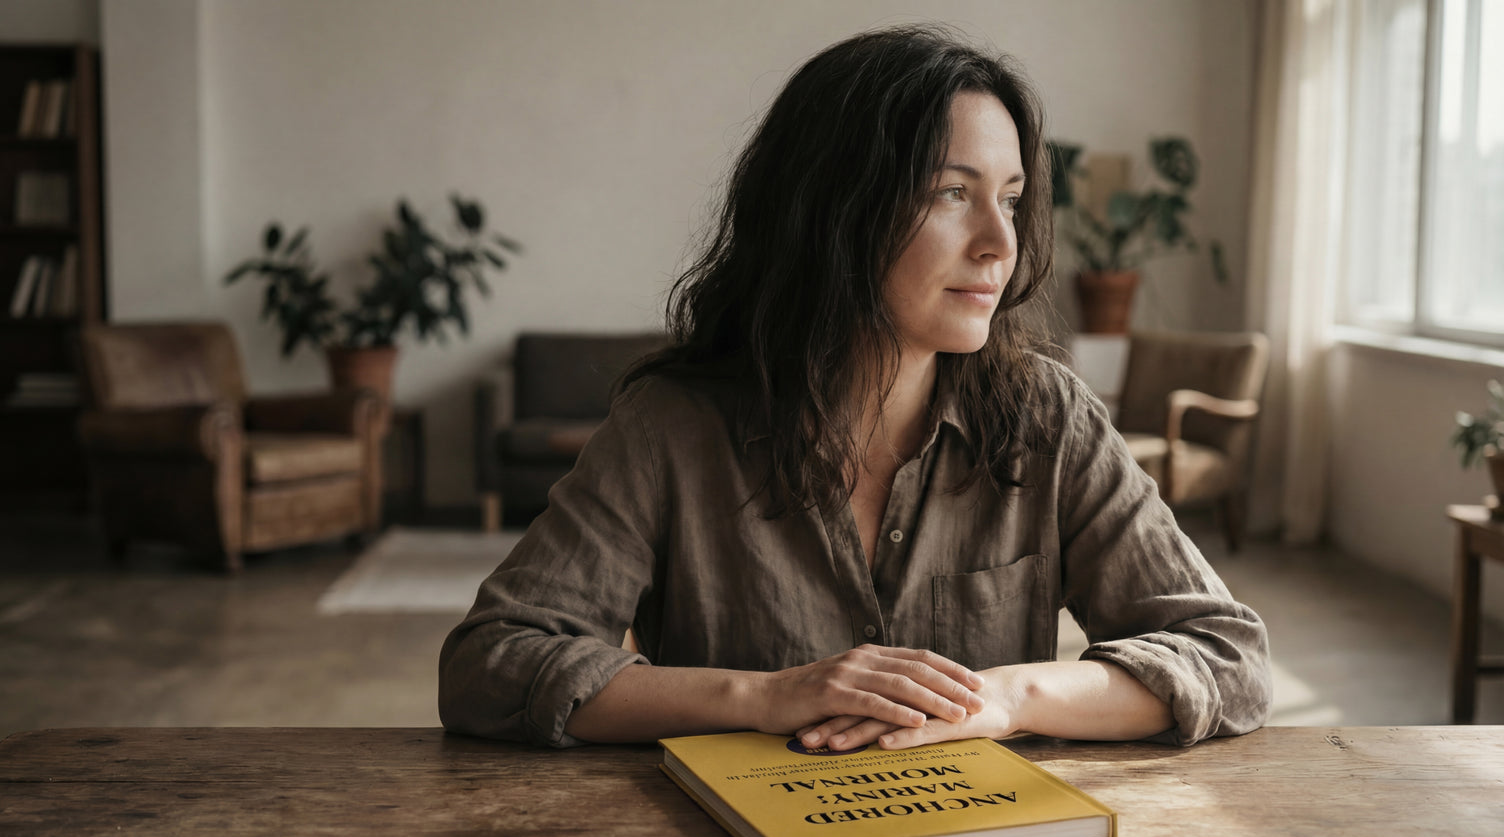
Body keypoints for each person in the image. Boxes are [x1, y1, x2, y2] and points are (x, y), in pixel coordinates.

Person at [439, 24, 1270, 752]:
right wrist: (764, 696)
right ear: (836, 210)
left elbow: (1226, 656)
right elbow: (490, 661)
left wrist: (1002, 699)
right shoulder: (671, 426)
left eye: (1010, 201)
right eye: (954, 192)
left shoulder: (1047, 418)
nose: (998, 245)